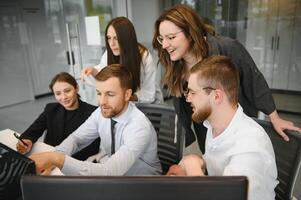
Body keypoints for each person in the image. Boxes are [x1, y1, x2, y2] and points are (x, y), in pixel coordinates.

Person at [152, 4, 301, 152]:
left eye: (170, 37)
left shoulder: (228, 48)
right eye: (161, 38)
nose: (165, 45)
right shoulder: (174, 63)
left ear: (190, 33)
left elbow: (254, 81)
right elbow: (184, 109)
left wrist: (274, 117)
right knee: (213, 162)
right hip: (206, 129)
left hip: (235, 127)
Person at [166, 55, 278, 200]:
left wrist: (193, 168)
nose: (188, 99)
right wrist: (200, 161)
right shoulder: (214, 126)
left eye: (193, 93)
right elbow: (219, 166)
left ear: (217, 96)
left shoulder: (250, 144)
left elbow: (227, 196)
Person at [29, 64, 162, 176]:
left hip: (142, 183)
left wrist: (57, 159)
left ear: (127, 95)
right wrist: (54, 158)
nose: (102, 102)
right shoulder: (101, 112)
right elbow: (77, 138)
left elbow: (110, 172)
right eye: (99, 93)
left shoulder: (138, 126)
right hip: (119, 178)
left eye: (110, 94)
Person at [16, 72, 99, 161]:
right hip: (51, 158)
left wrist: (57, 161)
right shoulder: (51, 109)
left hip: (75, 162)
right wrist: (27, 140)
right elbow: (34, 129)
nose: (63, 97)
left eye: (67, 91)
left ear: (76, 88)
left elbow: (91, 148)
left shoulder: (93, 112)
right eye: (58, 93)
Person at [81, 16, 163, 104]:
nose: (111, 44)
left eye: (116, 38)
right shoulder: (109, 53)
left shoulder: (144, 57)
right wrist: (94, 71)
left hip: (148, 107)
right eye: (109, 38)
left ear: (126, 39)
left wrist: (123, 97)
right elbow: (103, 73)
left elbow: (149, 95)